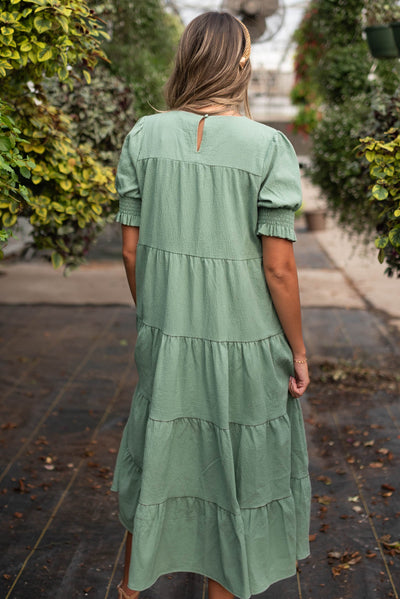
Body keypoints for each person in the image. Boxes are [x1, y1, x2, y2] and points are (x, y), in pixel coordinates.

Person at [111, 11, 311, 599]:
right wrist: (298, 350)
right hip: (248, 349)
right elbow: (278, 267)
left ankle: (128, 590)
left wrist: (162, 319)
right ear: (241, 65)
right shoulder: (269, 146)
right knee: (237, 487)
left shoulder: (142, 136)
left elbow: (130, 252)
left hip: (166, 341)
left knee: (157, 468)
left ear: (187, 59)